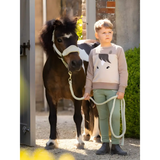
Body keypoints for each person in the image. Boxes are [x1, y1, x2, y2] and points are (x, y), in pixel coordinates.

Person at [83, 19, 128, 155]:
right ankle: (105, 144)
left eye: (109, 32)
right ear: (97, 35)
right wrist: (87, 91)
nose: (107, 35)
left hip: (114, 90)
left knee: (115, 116)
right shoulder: (93, 52)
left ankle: (115, 144)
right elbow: (90, 73)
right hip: (98, 90)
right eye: (104, 32)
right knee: (102, 116)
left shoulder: (118, 50)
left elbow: (123, 71)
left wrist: (122, 89)